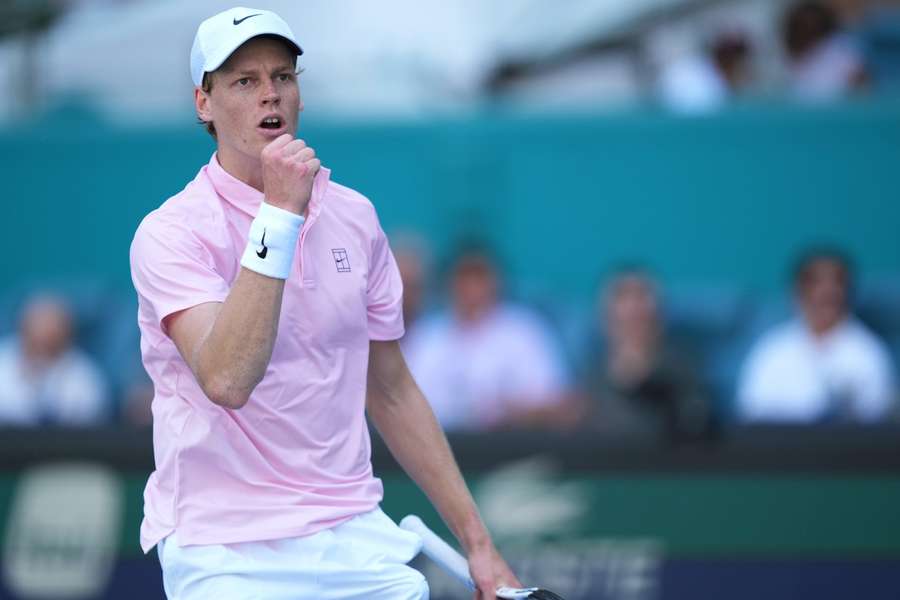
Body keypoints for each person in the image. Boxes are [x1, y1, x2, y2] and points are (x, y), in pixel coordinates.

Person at [129, 8, 519, 599]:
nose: (271, 94)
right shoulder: (169, 233)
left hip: (353, 531)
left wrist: (479, 545)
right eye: (244, 81)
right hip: (223, 549)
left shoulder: (356, 217)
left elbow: (389, 388)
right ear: (203, 103)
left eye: (283, 76)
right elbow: (228, 378)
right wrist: (281, 214)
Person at [403, 242, 571, 431]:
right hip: (439, 445)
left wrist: (512, 411)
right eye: (464, 277)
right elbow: (402, 402)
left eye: (479, 277)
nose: (472, 287)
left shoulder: (525, 330)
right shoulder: (427, 334)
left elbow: (561, 404)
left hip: (510, 445)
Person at [737, 248, 896, 423]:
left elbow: (877, 422)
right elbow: (751, 414)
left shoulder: (869, 353)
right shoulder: (772, 349)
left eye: (836, 283)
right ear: (797, 292)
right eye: (815, 284)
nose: (827, 291)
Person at [580, 267, 711, 439]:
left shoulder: (684, 373)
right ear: (605, 319)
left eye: (642, 296)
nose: (634, 307)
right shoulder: (588, 377)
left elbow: (697, 425)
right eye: (622, 296)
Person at [0, 293, 108, 426]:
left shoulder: (85, 378)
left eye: (50, 341)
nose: (42, 342)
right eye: (35, 342)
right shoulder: (3, 363)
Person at [782, 0, 868, 101]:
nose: (808, 29)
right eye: (802, 27)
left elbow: (863, 90)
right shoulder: (784, 59)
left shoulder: (843, 53)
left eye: (812, 26)